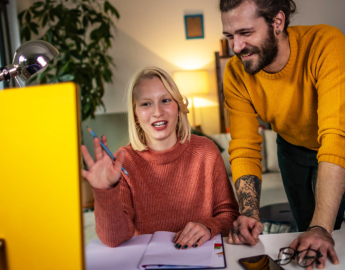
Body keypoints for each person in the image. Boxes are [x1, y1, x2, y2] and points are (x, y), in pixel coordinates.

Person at [220, 0, 345, 270]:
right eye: (230, 36)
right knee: (305, 227)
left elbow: (336, 138)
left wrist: (321, 228)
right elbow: (245, 147)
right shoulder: (236, 75)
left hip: (344, 140)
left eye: (245, 33)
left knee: (325, 228)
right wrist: (249, 212)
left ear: (277, 22)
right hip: (291, 146)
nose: (236, 47)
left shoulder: (325, 44)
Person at [82, 66, 239, 248]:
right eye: (146, 103)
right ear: (135, 113)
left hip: (203, 258)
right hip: (149, 267)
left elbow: (229, 215)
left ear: (178, 106)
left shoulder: (206, 151)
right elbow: (113, 239)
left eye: (165, 100)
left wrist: (208, 226)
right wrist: (105, 193)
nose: (157, 112)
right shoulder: (124, 162)